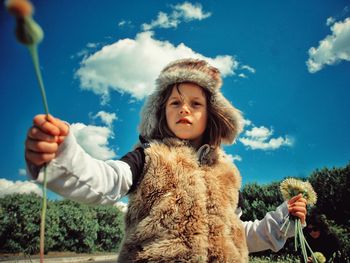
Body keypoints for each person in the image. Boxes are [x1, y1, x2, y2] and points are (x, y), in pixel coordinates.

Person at [25, 58, 307, 262]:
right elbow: (106, 180)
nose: (184, 108)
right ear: (162, 112)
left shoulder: (228, 174)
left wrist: (284, 219)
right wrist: (63, 155)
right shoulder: (148, 156)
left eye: (196, 103)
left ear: (211, 115)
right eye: (175, 102)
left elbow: (239, 234)